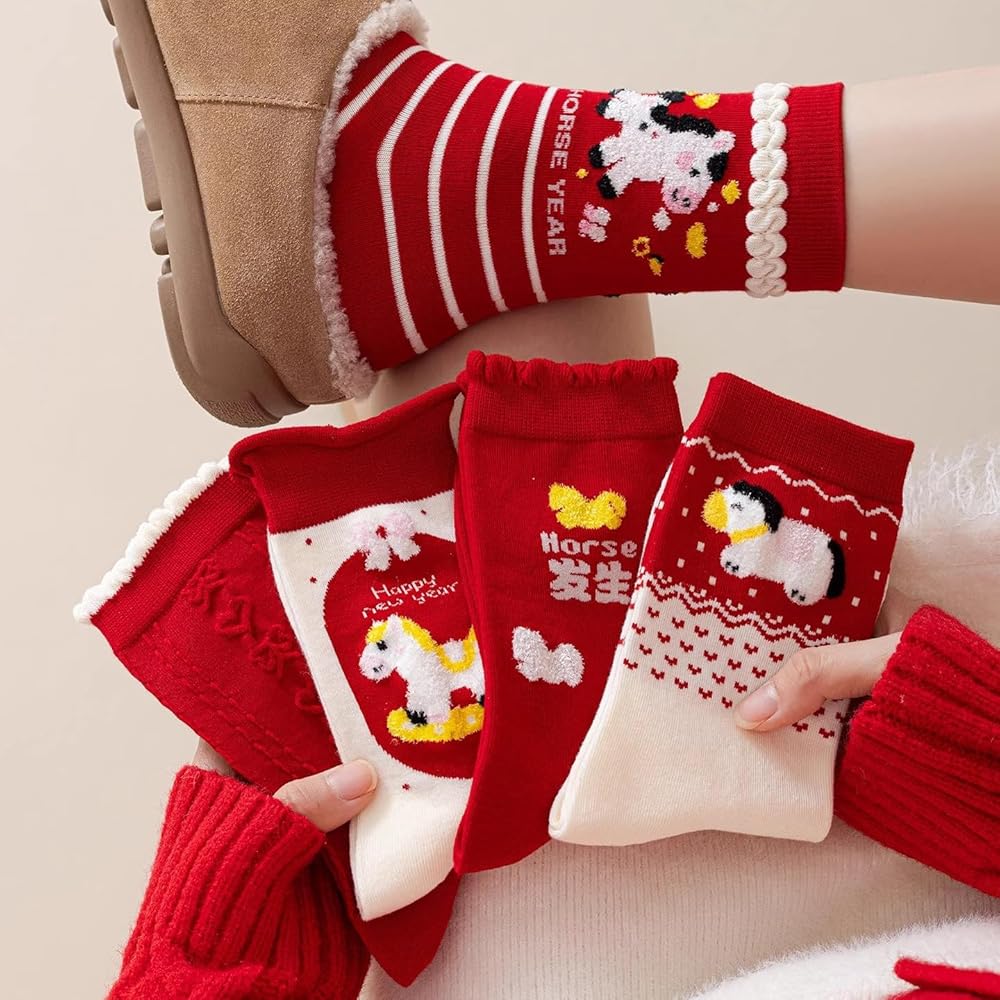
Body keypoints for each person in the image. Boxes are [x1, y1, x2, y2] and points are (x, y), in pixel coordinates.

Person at [96, 0, 999, 996]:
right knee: (523, 338)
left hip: (564, 893)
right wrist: (972, 740)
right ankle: (490, 191)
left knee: (506, 326)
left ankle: (483, 187)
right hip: (852, 818)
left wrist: (212, 938)